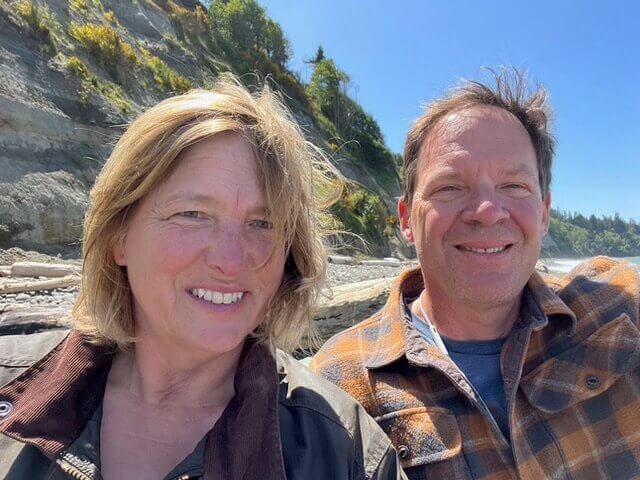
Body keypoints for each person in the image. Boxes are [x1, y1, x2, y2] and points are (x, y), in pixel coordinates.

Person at [0, 77, 405, 480]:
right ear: (118, 237)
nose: (230, 261)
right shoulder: (13, 383)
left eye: (262, 223)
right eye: (192, 215)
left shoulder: (348, 455)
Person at [311, 69, 640, 479]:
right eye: (450, 187)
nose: (487, 212)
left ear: (544, 212)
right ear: (406, 219)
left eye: (514, 186)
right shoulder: (337, 385)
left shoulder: (619, 306)